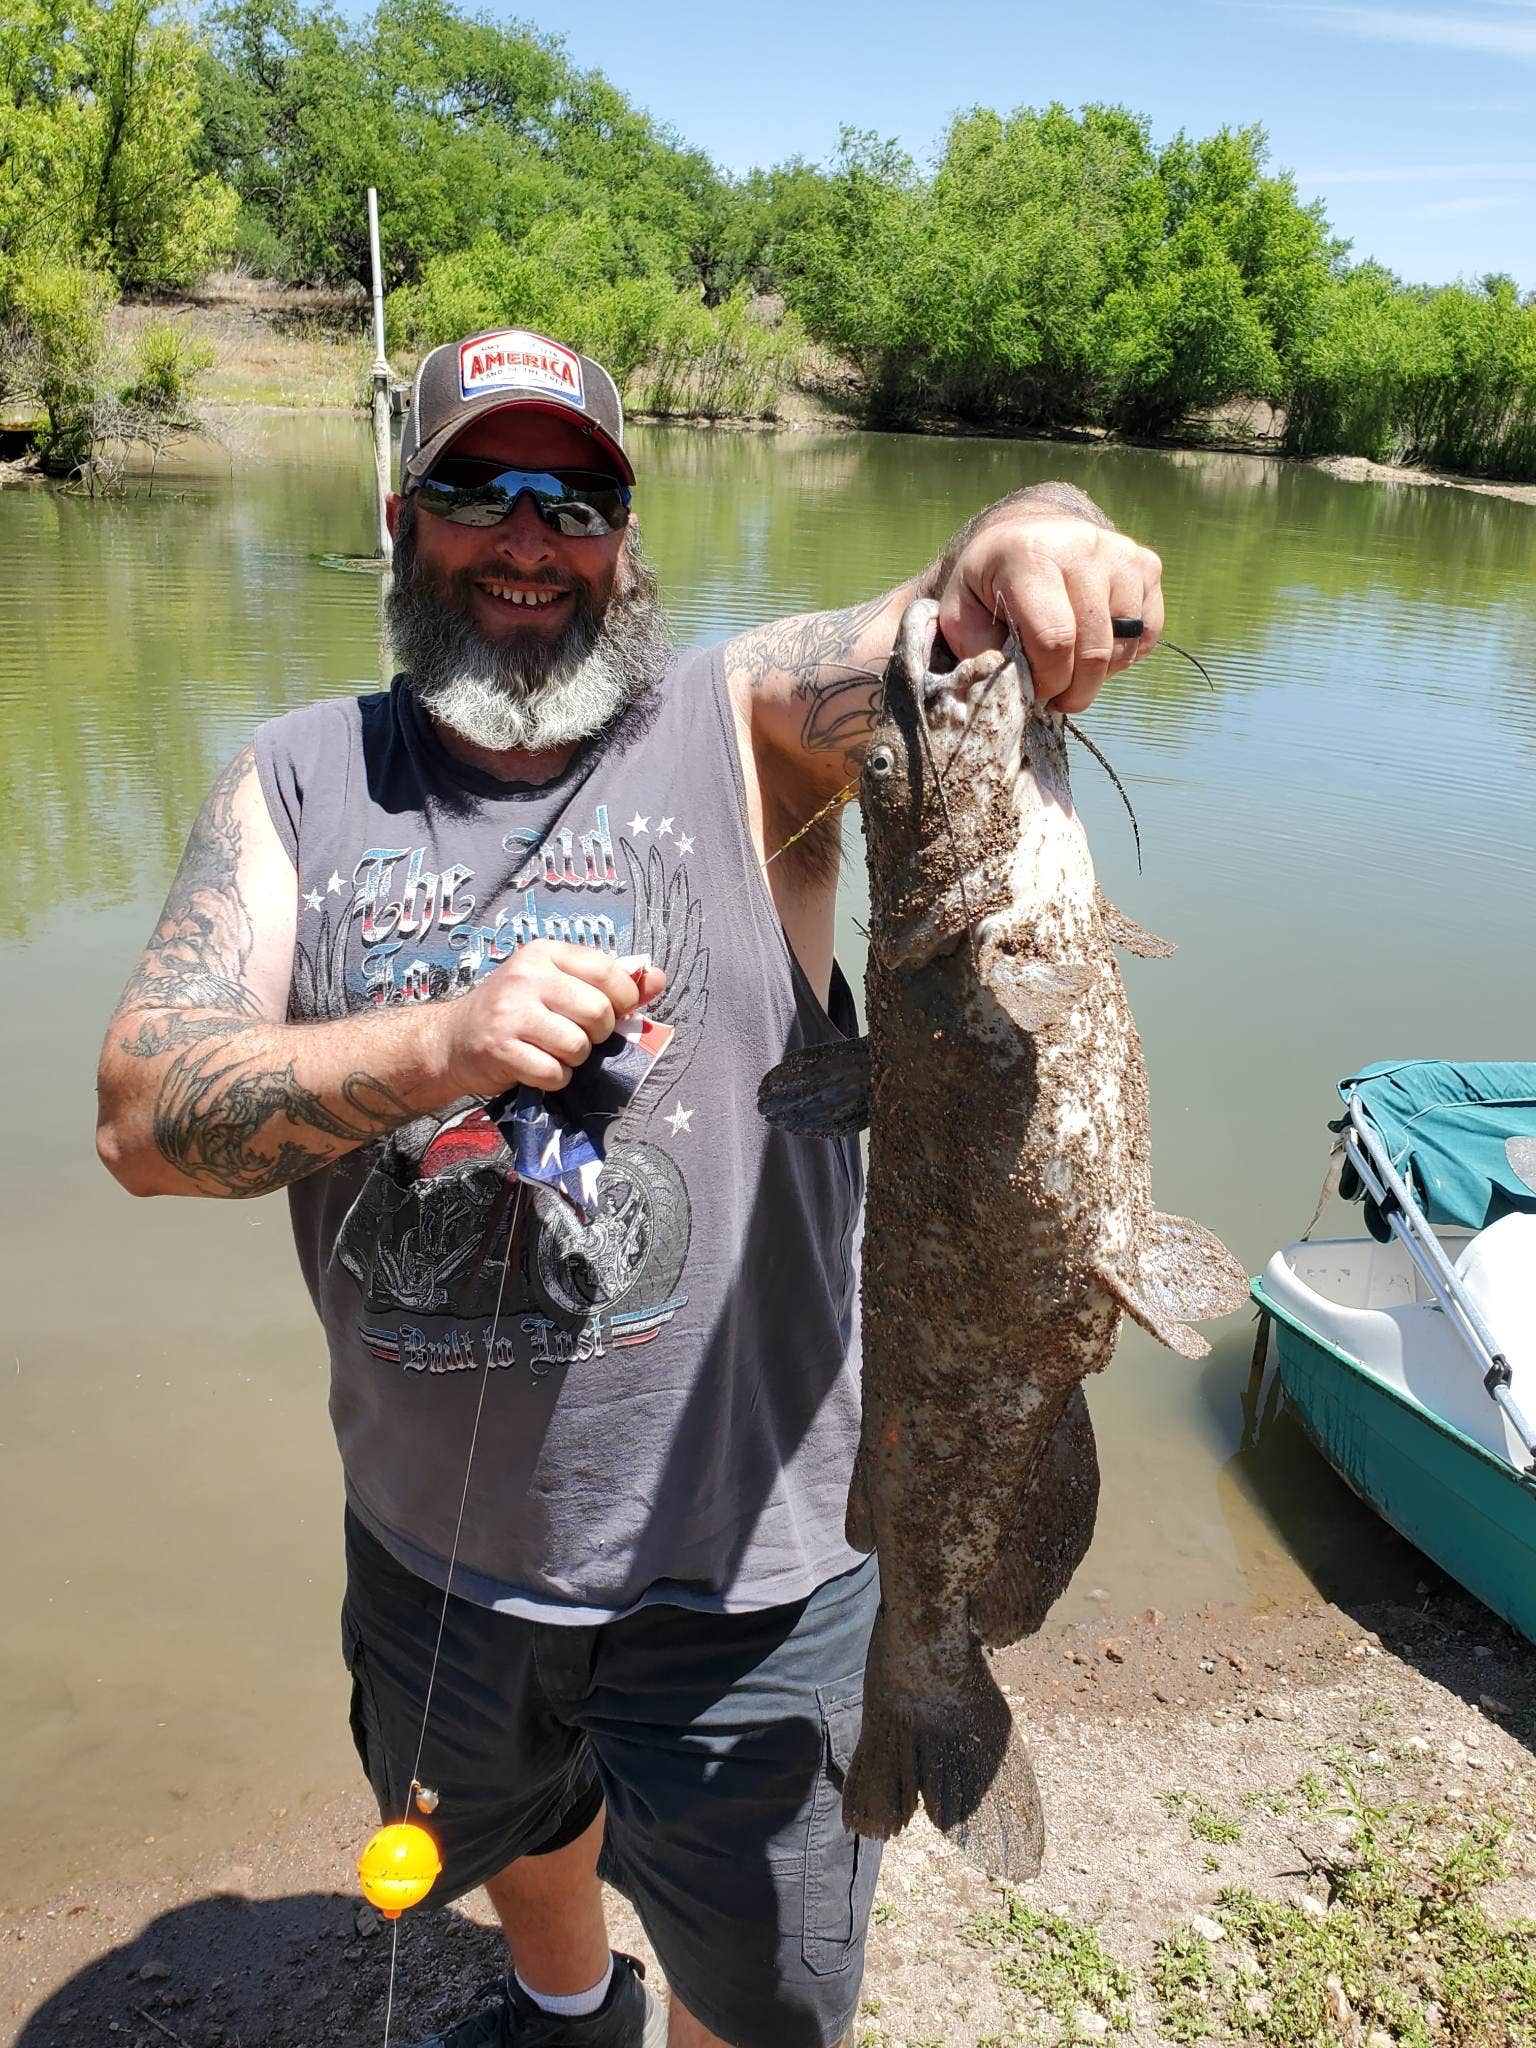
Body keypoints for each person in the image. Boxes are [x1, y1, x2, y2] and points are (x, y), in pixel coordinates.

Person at [96, 326, 1164, 2048]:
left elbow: (937, 639)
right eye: (477, 489)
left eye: (577, 497)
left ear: (627, 534)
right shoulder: (296, 781)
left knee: (768, 1987)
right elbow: (141, 1118)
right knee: (515, 1827)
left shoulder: (747, 741)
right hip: (442, 1561)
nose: (528, 536)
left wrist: (1030, 535)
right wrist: (438, 1044)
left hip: (764, 1580)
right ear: (402, 515)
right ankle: (570, 1991)